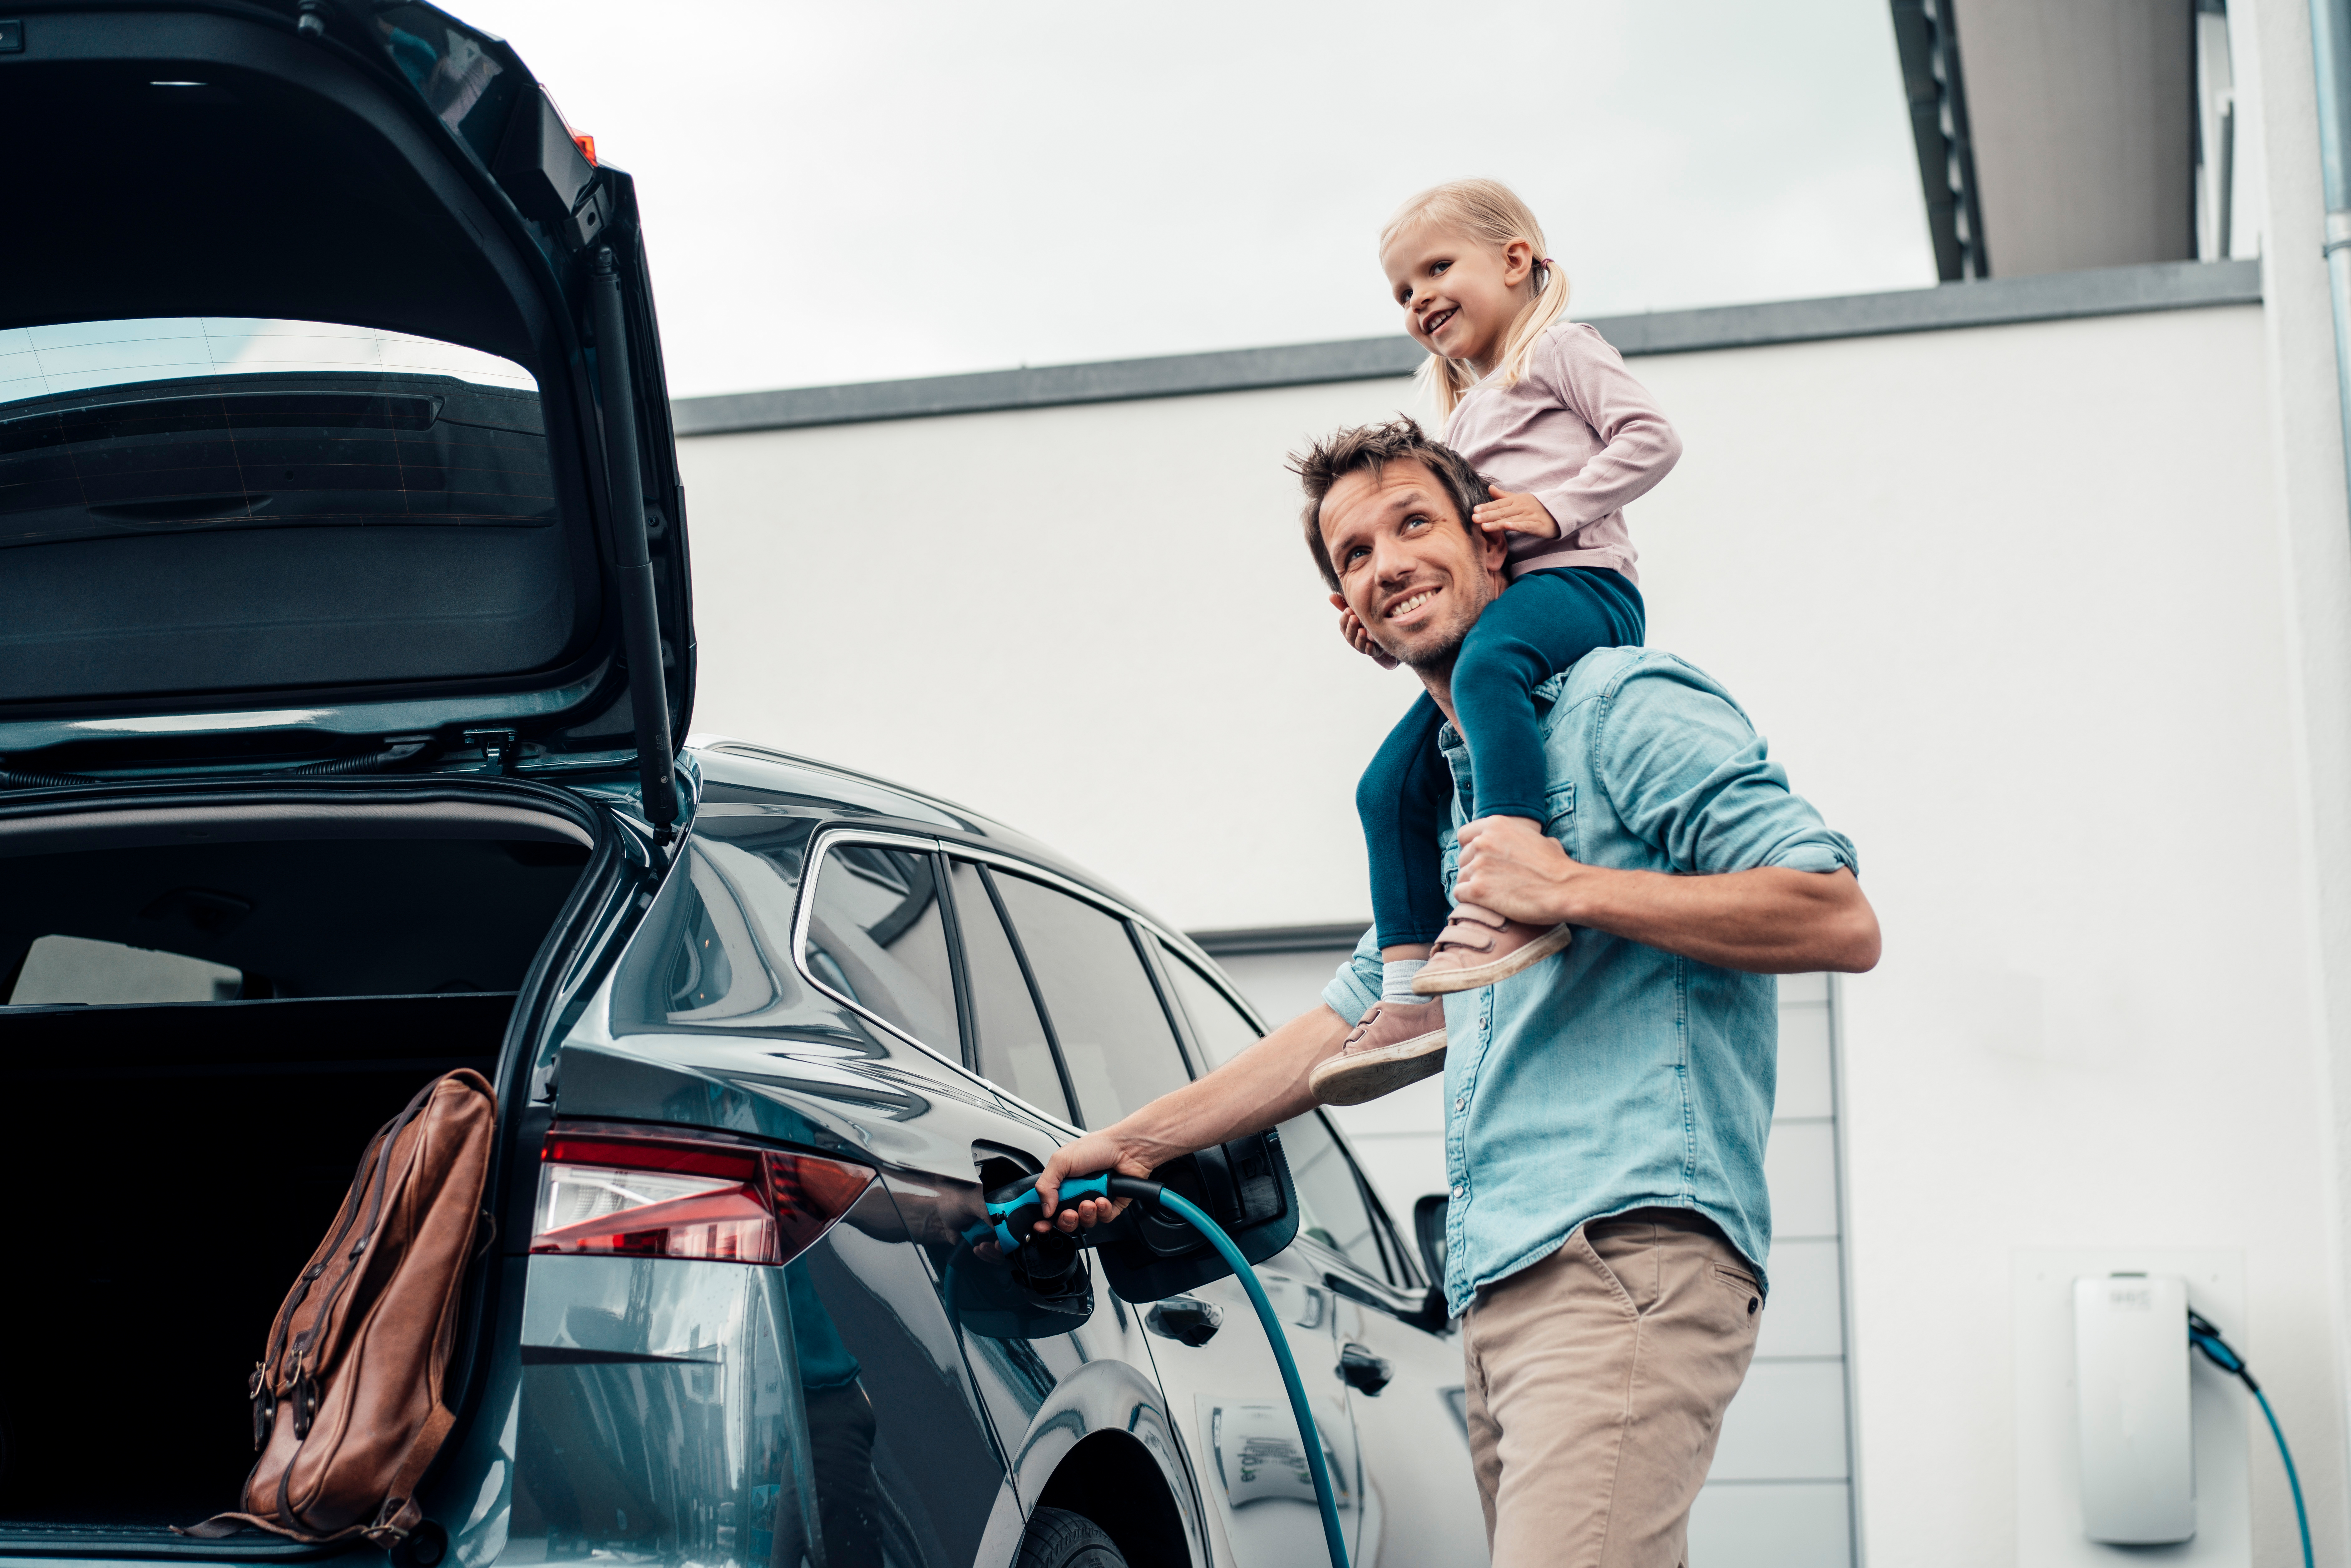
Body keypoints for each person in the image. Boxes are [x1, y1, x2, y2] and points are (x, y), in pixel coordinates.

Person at [1034, 418, 1878, 1568]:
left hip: (1621, 1261)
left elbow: (1833, 914)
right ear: (1350, 616)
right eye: (1354, 554)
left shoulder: (1620, 705)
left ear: (1493, 545)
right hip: (1494, 1297)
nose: (1387, 563)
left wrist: (1572, 886)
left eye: (1414, 523)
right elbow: (1345, 1022)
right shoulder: (1441, 795)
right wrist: (1129, 1143)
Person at [1325, 178, 1684, 1106]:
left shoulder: (1559, 350)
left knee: (1487, 670)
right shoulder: (1464, 413)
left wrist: (1559, 508)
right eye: (1402, 291)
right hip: (1507, 615)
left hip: (1587, 586)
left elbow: (1653, 436)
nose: (1418, 300)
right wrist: (1386, 625)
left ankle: (1510, 887)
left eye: (1436, 269)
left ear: (1515, 261)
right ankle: (1410, 999)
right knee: (1389, 785)